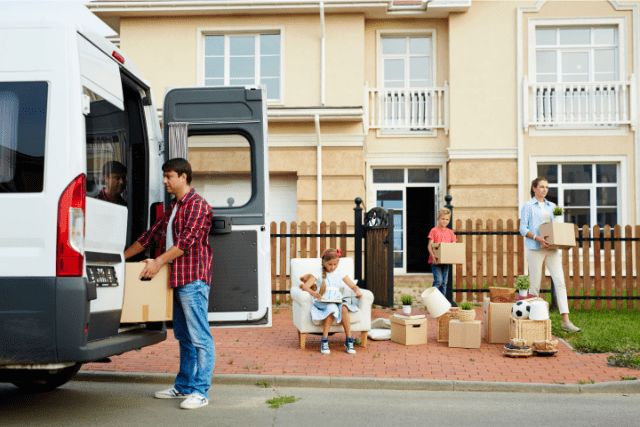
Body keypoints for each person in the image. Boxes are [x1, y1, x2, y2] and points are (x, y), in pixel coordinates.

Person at [123, 158, 215, 409]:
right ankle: (184, 387)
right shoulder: (175, 206)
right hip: (176, 280)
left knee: (200, 337)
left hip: (192, 280)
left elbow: (187, 242)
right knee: (184, 337)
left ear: (184, 177)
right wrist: (120, 259)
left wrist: (158, 262)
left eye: (169, 176)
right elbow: (149, 236)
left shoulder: (198, 206)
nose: (164, 181)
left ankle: (201, 391)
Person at [519, 177, 580, 333]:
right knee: (534, 285)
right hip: (535, 248)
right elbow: (523, 229)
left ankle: (566, 321)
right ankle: (532, 321)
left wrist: (562, 242)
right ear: (534, 188)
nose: (544, 189)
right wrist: (537, 238)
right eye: (541, 187)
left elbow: (556, 228)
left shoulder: (553, 206)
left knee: (560, 283)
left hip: (552, 250)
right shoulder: (528, 206)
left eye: (546, 187)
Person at [300, 248, 362, 355]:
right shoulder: (318, 272)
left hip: (337, 300)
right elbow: (305, 287)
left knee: (344, 308)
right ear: (324, 263)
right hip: (323, 301)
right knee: (331, 308)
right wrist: (313, 293)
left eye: (335, 264)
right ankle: (324, 340)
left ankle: (349, 340)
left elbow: (352, 285)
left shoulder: (340, 272)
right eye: (330, 264)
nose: (332, 267)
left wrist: (357, 291)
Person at [427, 208, 456, 298]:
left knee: (444, 283)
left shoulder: (450, 232)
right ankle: (431, 299)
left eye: (447, 219)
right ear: (438, 219)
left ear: (449, 220)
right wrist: (433, 256)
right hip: (436, 260)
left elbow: (453, 246)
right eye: (442, 219)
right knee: (438, 281)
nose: (445, 221)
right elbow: (429, 246)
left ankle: (441, 302)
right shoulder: (434, 230)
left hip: (446, 261)